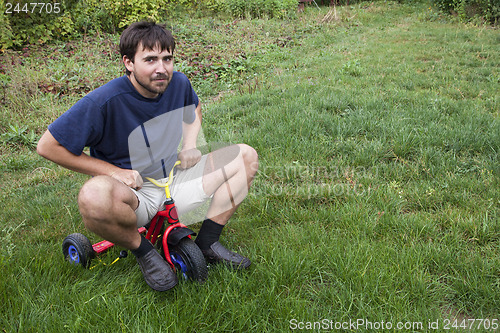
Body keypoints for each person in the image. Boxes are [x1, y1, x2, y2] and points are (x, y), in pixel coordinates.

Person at [37, 21, 259, 291]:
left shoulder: (178, 84)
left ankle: (208, 243)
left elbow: (195, 107)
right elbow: (47, 146)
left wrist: (190, 143)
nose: (161, 68)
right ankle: (144, 252)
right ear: (128, 63)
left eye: (167, 59)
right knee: (92, 195)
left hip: (173, 181)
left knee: (245, 156)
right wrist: (114, 172)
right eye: (150, 59)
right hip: (133, 196)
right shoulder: (103, 102)